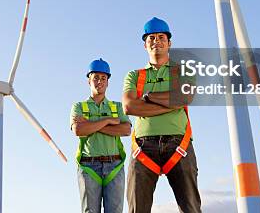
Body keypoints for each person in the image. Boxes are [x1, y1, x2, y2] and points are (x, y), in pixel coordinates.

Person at [123, 17, 200, 213]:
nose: (156, 41)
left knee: (191, 208)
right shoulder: (134, 75)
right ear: (145, 44)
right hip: (142, 148)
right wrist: (171, 103)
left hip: (179, 145)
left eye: (161, 37)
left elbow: (186, 96)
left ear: (169, 43)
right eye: (151, 38)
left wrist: (148, 98)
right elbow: (130, 107)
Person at [71, 58, 132, 213]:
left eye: (103, 78)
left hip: (114, 166)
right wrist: (108, 121)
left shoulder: (117, 107)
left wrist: (91, 125)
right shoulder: (79, 106)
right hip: (88, 166)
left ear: (108, 82)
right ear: (88, 81)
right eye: (95, 78)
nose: (99, 81)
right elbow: (78, 130)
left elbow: (125, 130)